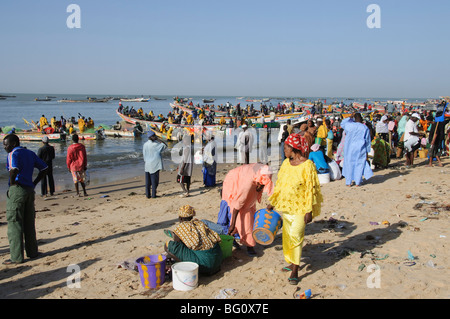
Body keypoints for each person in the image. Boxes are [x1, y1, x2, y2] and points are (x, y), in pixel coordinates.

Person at [267, 133, 323, 285]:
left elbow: (311, 189)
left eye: (286, 148)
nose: (284, 151)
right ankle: (291, 261)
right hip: (287, 206)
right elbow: (280, 184)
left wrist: (309, 210)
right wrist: (273, 201)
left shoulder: (308, 166)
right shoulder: (286, 163)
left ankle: (295, 270)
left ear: (293, 148)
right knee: (287, 236)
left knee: (296, 236)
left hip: (301, 207)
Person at [3, 134, 48, 264]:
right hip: (29, 190)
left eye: (6, 144)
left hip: (18, 189)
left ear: (13, 144)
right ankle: (32, 252)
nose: (4, 147)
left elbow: (14, 170)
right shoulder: (30, 153)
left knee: (15, 223)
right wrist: (34, 183)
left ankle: (16, 257)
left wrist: (12, 184)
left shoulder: (13, 154)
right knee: (29, 222)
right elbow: (44, 168)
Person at [221, 163, 274, 256]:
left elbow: (268, 188)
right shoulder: (247, 183)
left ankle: (233, 236)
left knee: (249, 208)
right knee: (245, 216)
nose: (262, 186)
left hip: (245, 178)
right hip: (234, 181)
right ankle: (249, 245)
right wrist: (232, 224)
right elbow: (237, 205)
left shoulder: (265, 172)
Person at [164, 205, 223, 276]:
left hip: (205, 265)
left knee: (168, 245)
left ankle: (186, 266)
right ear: (192, 216)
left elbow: (178, 247)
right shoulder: (200, 223)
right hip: (217, 260)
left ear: (180, 218)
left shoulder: (180, 229)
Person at [340, 113, 373, 187]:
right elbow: (367, 140)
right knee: (359, 164)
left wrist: (349, 118)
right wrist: (368, 150)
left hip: (349, 148)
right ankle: (357, 182)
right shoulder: (364, 127)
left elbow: (342, 124)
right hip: (360, 148)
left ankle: (348, 182)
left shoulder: (349, 125)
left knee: (349, 164)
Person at [143, 131, 167, 198]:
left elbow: (144, 154)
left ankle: (148, 195)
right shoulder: (155, 145)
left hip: (147, 164)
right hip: (155, 164)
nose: (155, 137)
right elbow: (165, 145)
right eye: (154, 136)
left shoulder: (145, 144)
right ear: (151, 137)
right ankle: (153, 195)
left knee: (148, 181)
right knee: (154, 181)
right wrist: (158, 139)